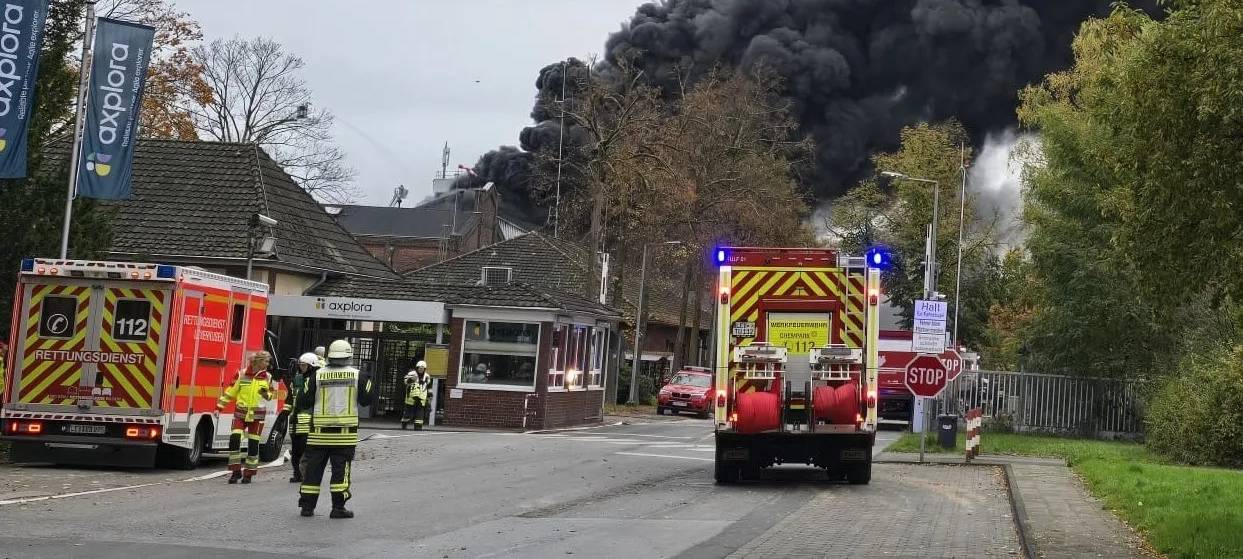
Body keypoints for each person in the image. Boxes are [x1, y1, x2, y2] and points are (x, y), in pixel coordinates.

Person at [298, 339, 372, 519]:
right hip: (344, 436)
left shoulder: (316, 375)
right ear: (349, 356)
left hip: (317, 435)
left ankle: (307, 508)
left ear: (330, 356)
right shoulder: (359, 376)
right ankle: (338, 508)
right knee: (340, 473)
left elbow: (303, 402)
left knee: (312, 471)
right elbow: (367, 400)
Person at [216, 351, 274, 484]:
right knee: (234, 439)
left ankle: (248, 474)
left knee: (253, 445)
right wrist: (219, 407)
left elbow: (271, 396)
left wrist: (266, 394)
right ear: (259, 361)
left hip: (257, 416)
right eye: (266, 361)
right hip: (241, 413)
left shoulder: (268, 377)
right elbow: (231, 391)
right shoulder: (241, 374)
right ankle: (235, 472)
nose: (267, 364)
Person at [288, 352, 318, 483]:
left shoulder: (315, 381)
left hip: (308, 422)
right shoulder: (297, 379)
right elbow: (290, 398)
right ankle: (297, 474)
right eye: (300, 365)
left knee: (305, 450)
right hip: (294, 420)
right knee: (295, 451)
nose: (301, 368)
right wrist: (286, 414)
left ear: (311, 366)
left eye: (304, 365)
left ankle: (305, 473)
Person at [401, 361, 430, 430]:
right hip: (411, 398)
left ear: (425, 369)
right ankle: (404, 424)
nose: (421, 369)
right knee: (407, 413)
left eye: (422, 368)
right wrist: (411, 379)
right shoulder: (412, 374)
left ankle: (418, 427)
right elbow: (405, 381)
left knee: (420, 413)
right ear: (417, 368)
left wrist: (429, 397)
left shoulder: (427, 376)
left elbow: (428, 386)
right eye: (419, 368)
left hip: (421, 398)